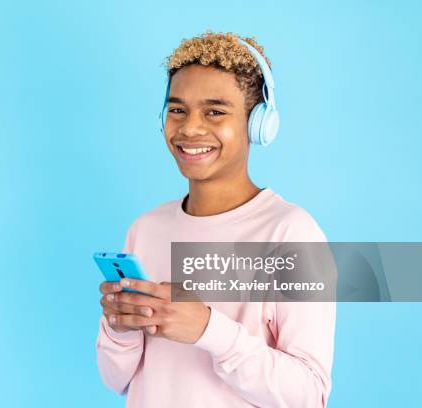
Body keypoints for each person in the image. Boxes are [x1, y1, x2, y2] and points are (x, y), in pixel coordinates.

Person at [96, 30, 336, 407]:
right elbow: (116, 379)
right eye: (177, 110)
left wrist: (209, 330)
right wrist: (121, 330)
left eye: (215, 111)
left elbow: (309, 395)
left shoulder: (291, 233)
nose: (190, 128)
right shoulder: (145, 229)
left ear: (258, 123)